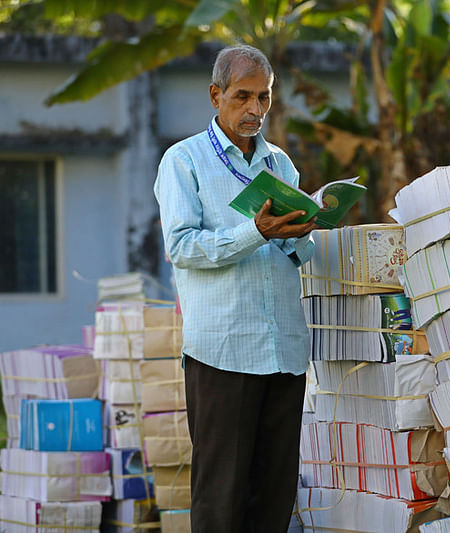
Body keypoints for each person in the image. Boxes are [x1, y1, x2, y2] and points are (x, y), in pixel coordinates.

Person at [154, 44, 317, 533]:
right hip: (223, 350)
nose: (255, 110)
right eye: (243, 97)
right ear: (215, 95)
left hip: (283, 348)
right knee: (221, 495)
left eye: (263, 98)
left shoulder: (279, 163)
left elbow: (297, 255)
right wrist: (256, 232)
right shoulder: (183, 161)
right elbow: (181, 247)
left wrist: (302, 232)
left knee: (274, 493)